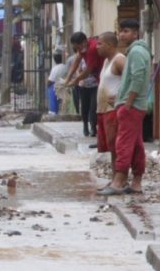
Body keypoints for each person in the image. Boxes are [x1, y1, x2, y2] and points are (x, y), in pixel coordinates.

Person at [100, 19, 151, 196]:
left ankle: (118, 182)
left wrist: (128, 102)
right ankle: (136, 183)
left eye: (126, 31)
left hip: (132, 106)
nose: (122, 35)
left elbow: (138, 78)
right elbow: (131, 79)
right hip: (131, 104)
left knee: (123, 143)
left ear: (136, 34)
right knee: (136, 145)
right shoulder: (136, 51)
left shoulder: (136, 52)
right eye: (120, 31)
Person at [93, 33, 124, 179]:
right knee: (112, 149)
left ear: (109, 45)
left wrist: (121, 97)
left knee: (117, 147)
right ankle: (114, 179)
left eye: (100, 44)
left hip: (114, 110)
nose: (96, 47)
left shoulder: (119, 60)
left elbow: (133, 79)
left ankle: (120, 179)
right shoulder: (107, 61)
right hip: (104, 110)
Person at [65, 32, 100, 137]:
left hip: (96, 81)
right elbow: (76, 62)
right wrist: (68, 78)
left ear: (84, 42)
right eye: (75, 48)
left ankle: (93, 127)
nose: (78, 50)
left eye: (78, 47)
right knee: (84, 107)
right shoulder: (83, 49)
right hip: (85, 84)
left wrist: (75, 80)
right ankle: (85, 126)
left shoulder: (92, 48)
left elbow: (88, 71)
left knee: (94, 107)